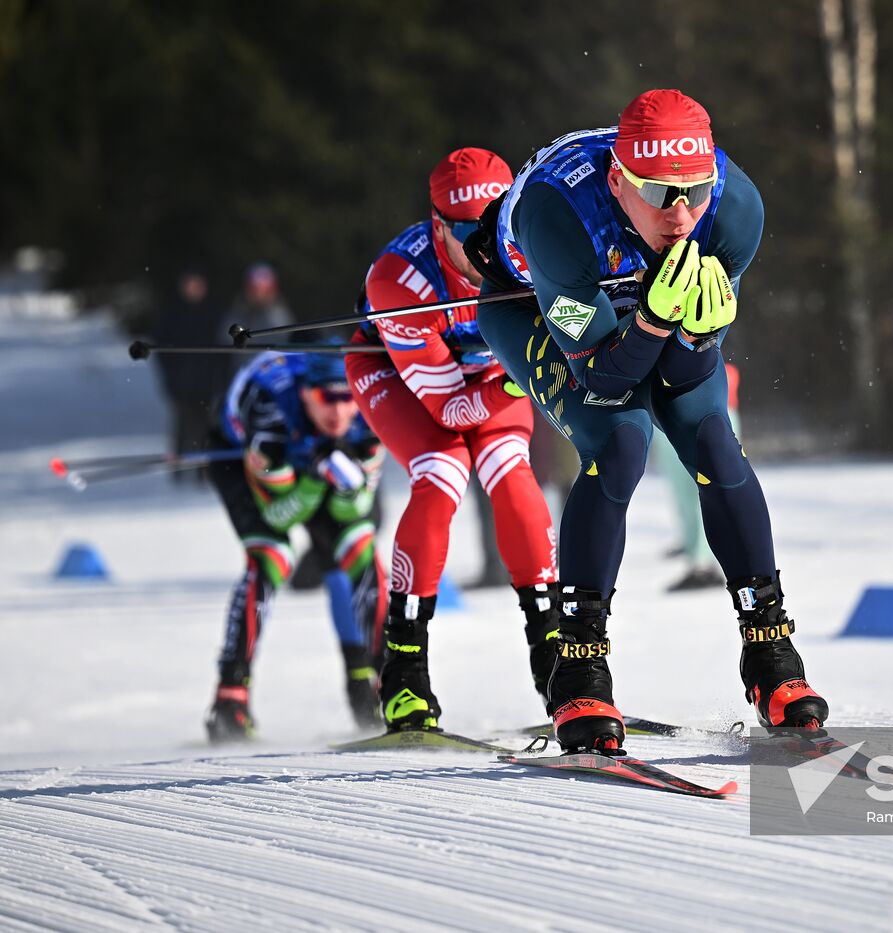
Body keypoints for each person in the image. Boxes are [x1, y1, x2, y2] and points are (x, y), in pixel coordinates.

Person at [468, 89, 829, 752]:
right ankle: (578, 664)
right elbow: (603, 378)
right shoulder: (559, 216)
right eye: (662, 193)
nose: (683, 212)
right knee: (621, 442)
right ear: (618, 181)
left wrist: (694, 338)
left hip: (635, 300)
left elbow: (684, 381)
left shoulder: (735, 210)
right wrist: (659, 321)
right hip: (534, 302)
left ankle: (770, 653)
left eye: (695, 190)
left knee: (716, 444)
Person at [344, 147, 560, 732]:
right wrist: (525, 377)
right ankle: (404, 674)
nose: (484, 244)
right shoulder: (400, 279)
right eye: (468, 232)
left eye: (498, 223)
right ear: (439, 225)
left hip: (491, 375)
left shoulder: (537, 241)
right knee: (441, 476)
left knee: (511, 472)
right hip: (400, 375)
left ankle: (556, 661)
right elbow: (453, 409)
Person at [205, 351, 388, 742]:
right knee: (271, 558)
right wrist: (314, 476)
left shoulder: (371, 413)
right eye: (327, 398)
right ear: (306, 394)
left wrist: (346, 480)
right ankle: (230, 699)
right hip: (238, 457)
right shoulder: (270, 415)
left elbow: (355, 508)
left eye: (346, 398)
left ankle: (380, 684)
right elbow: (279, 516)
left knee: (358, 549)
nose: (339, 412)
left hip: (310, 467)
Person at [652, 361, 741, 591]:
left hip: (696, 413)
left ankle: (704, 562)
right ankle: (696, 551)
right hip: (671, 413)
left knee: (701, 491)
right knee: (685, 493)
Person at [153, 267, 222, 482]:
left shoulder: (213, 314)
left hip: (206, 383)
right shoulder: (173, 315)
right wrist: (172, 377)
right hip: (182, 383)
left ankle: (204, 472)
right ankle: (179, 472)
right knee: (182, 428)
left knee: (206, 428)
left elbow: (220, 351)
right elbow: (162, 350)